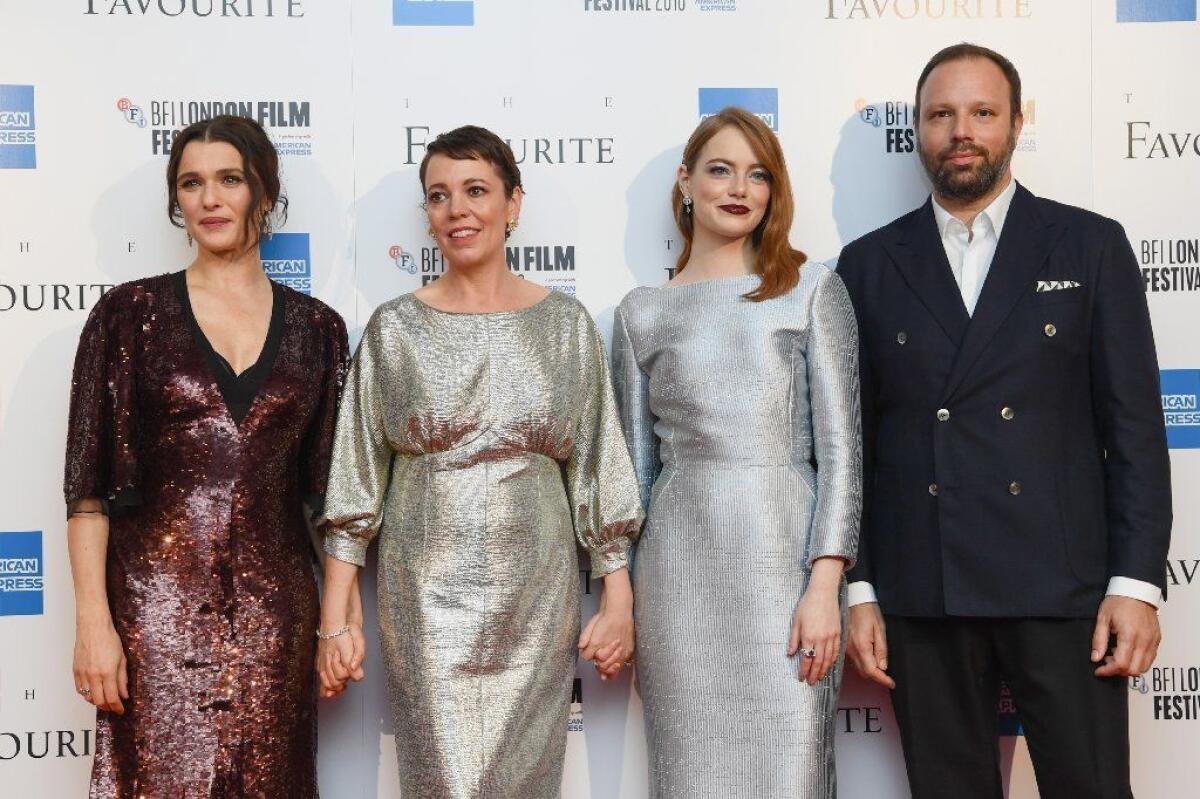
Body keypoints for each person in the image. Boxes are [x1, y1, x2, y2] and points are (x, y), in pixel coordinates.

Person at [840, 44, 1171, 799]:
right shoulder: (867, 265)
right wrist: (861, 589)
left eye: (982, 113)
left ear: (1016, 124)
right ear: (918, 131)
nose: (962, 131)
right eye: (941, 115)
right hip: (925, 592)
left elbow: (1135, 433)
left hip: (1067, 589)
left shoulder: (1089, 244)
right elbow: (851, 447)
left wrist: (1137, 583)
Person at [315, 125, 643, 798]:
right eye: (438, 196)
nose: (456, 209)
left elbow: (599, 468)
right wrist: (336, 616)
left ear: (513, 204)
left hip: (537, 601)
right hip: (426, 603)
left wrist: (617, 595)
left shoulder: (567, 324)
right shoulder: (393, 327)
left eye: (475, 190)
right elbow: (354, 484)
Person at [64, 114, 349, 797]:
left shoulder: (319, 330)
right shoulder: (126, 316)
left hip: (276, 618)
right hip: (153, 617)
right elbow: (88, 491)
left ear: (264, 193)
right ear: (177, 202)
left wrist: (340, 621)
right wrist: (93, 625)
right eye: (191, 183)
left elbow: (335, 498)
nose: (210, 199)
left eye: (230, 179)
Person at [613, 107, 862, 797]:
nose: (738, 188)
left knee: (794, 775)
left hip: (786, 574)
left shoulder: (811, 292)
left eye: (758, 175)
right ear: (685, 182)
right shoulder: (641, 313)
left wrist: (824, 583)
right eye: (720, 169)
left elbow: (842, 453)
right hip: (678, 583)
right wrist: (623, 597)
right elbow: (635, 475)